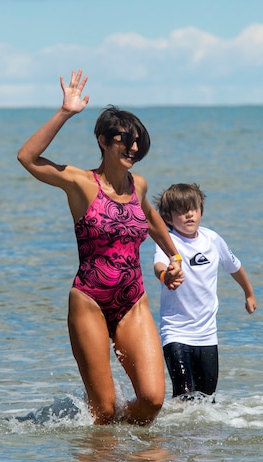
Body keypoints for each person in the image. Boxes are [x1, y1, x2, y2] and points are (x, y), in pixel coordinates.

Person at [17, 70, 185, 425]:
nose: (134, 148)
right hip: (90, 300)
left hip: (132, 300)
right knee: (104, 411)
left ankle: (129, 461)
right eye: (125, 140)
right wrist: (65, 113)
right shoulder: (80, 183)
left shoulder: (138, 184)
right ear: (103, 141)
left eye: (139, 141)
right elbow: (27, 158)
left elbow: (152, 218)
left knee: (153, 401)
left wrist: (174, 256)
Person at [153, 183, 257, 400]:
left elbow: (234, 266)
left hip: (207, 335)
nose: (189, 214)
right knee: (183, 394)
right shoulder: (169, 241)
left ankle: (201, 434)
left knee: (207, 397)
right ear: (169, 218)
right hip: (176, 333)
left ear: (201, 211)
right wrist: (167, 276)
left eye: (193, 208)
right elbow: (159, 266)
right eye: (181, 210)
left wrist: (249, 293)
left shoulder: (212, 239)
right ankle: (178, 433)